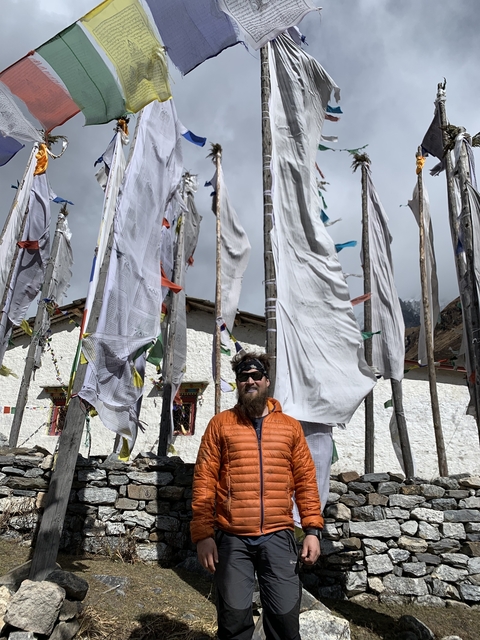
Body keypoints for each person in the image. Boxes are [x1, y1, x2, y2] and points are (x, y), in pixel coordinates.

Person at [190, 351, 323, 640]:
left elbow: (305, 482)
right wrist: (203, 535)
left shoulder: (290, 427)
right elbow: (204, 482)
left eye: (256, 376)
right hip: (231, 537)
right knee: (234, 620)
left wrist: (312, 530)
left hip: (278, 535)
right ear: (237, 383)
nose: (250, 381)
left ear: (267, 381)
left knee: (284, 621)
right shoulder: (220, 425)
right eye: (243, 377)